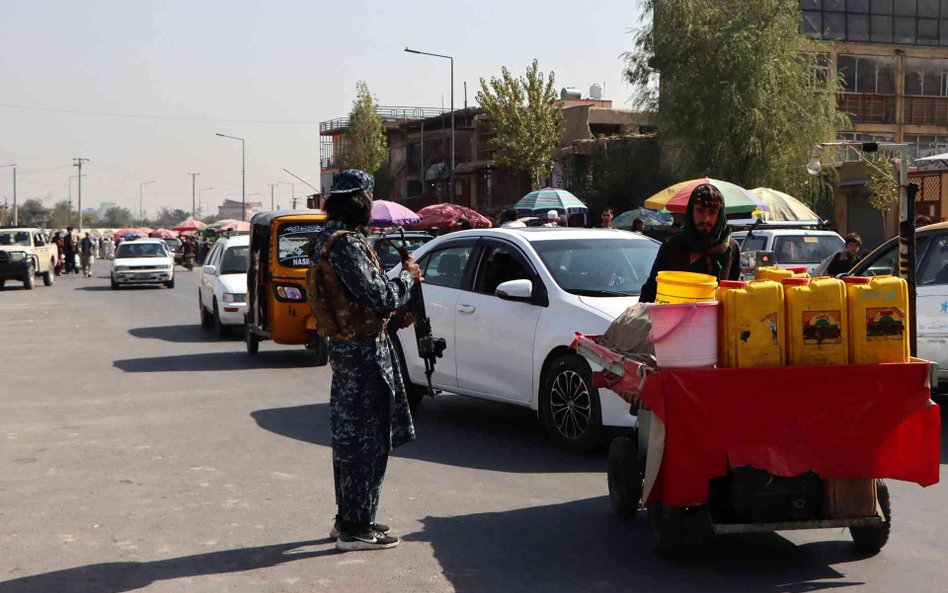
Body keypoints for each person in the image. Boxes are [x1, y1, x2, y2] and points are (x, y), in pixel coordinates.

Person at [307, 169, 422, 552]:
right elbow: (380, 297)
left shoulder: (330, 239)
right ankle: (356, 527)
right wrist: (406, 279)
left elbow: (361, 296)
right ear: (361, 200)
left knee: (352, 440)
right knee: (366, 442)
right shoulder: (346, 245)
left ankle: (353, 518)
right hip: (362, 352)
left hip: (351, 348)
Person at [640, 183, 741, 303]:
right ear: (691, 212)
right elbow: (652, 289)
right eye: (700, 211)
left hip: (717, 320)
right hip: (677, 318)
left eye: (712, 212)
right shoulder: (673, 246)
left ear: (720, 215)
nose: (706, 219)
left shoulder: (731, 248)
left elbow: (733, 294)